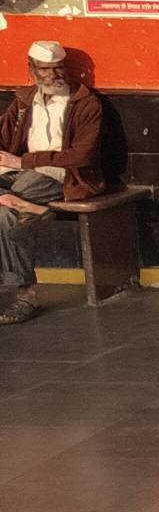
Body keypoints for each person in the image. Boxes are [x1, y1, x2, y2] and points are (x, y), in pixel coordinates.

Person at [0, 40, 109, 325]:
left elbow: (82, 155)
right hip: (19, 171)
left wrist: (24, 162)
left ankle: (26, 295)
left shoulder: (86, 104)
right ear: (31, 69)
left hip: (63, 174)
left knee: (7, 207)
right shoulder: (24, 101)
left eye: (58, 68)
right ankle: (26, 207)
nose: (53, 75)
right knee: (5, 211)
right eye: (45, 69)